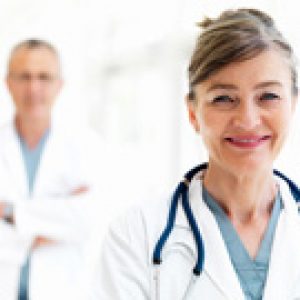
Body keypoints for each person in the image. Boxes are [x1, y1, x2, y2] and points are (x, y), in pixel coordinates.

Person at [92, 8, 300, 299]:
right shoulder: (136, 235)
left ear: (292, 105)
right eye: (224, 99)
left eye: (268, 96)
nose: (248, 120)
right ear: (193, 113)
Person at [0, 39, 103, 300]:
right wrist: (56, 215)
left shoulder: (86, 146)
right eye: (24, 77)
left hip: (62, 290)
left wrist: (9, 213)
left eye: (44, 77)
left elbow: (86, 220)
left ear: (60, 85)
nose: (34, 88)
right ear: (8, 83)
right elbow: (71, 220)